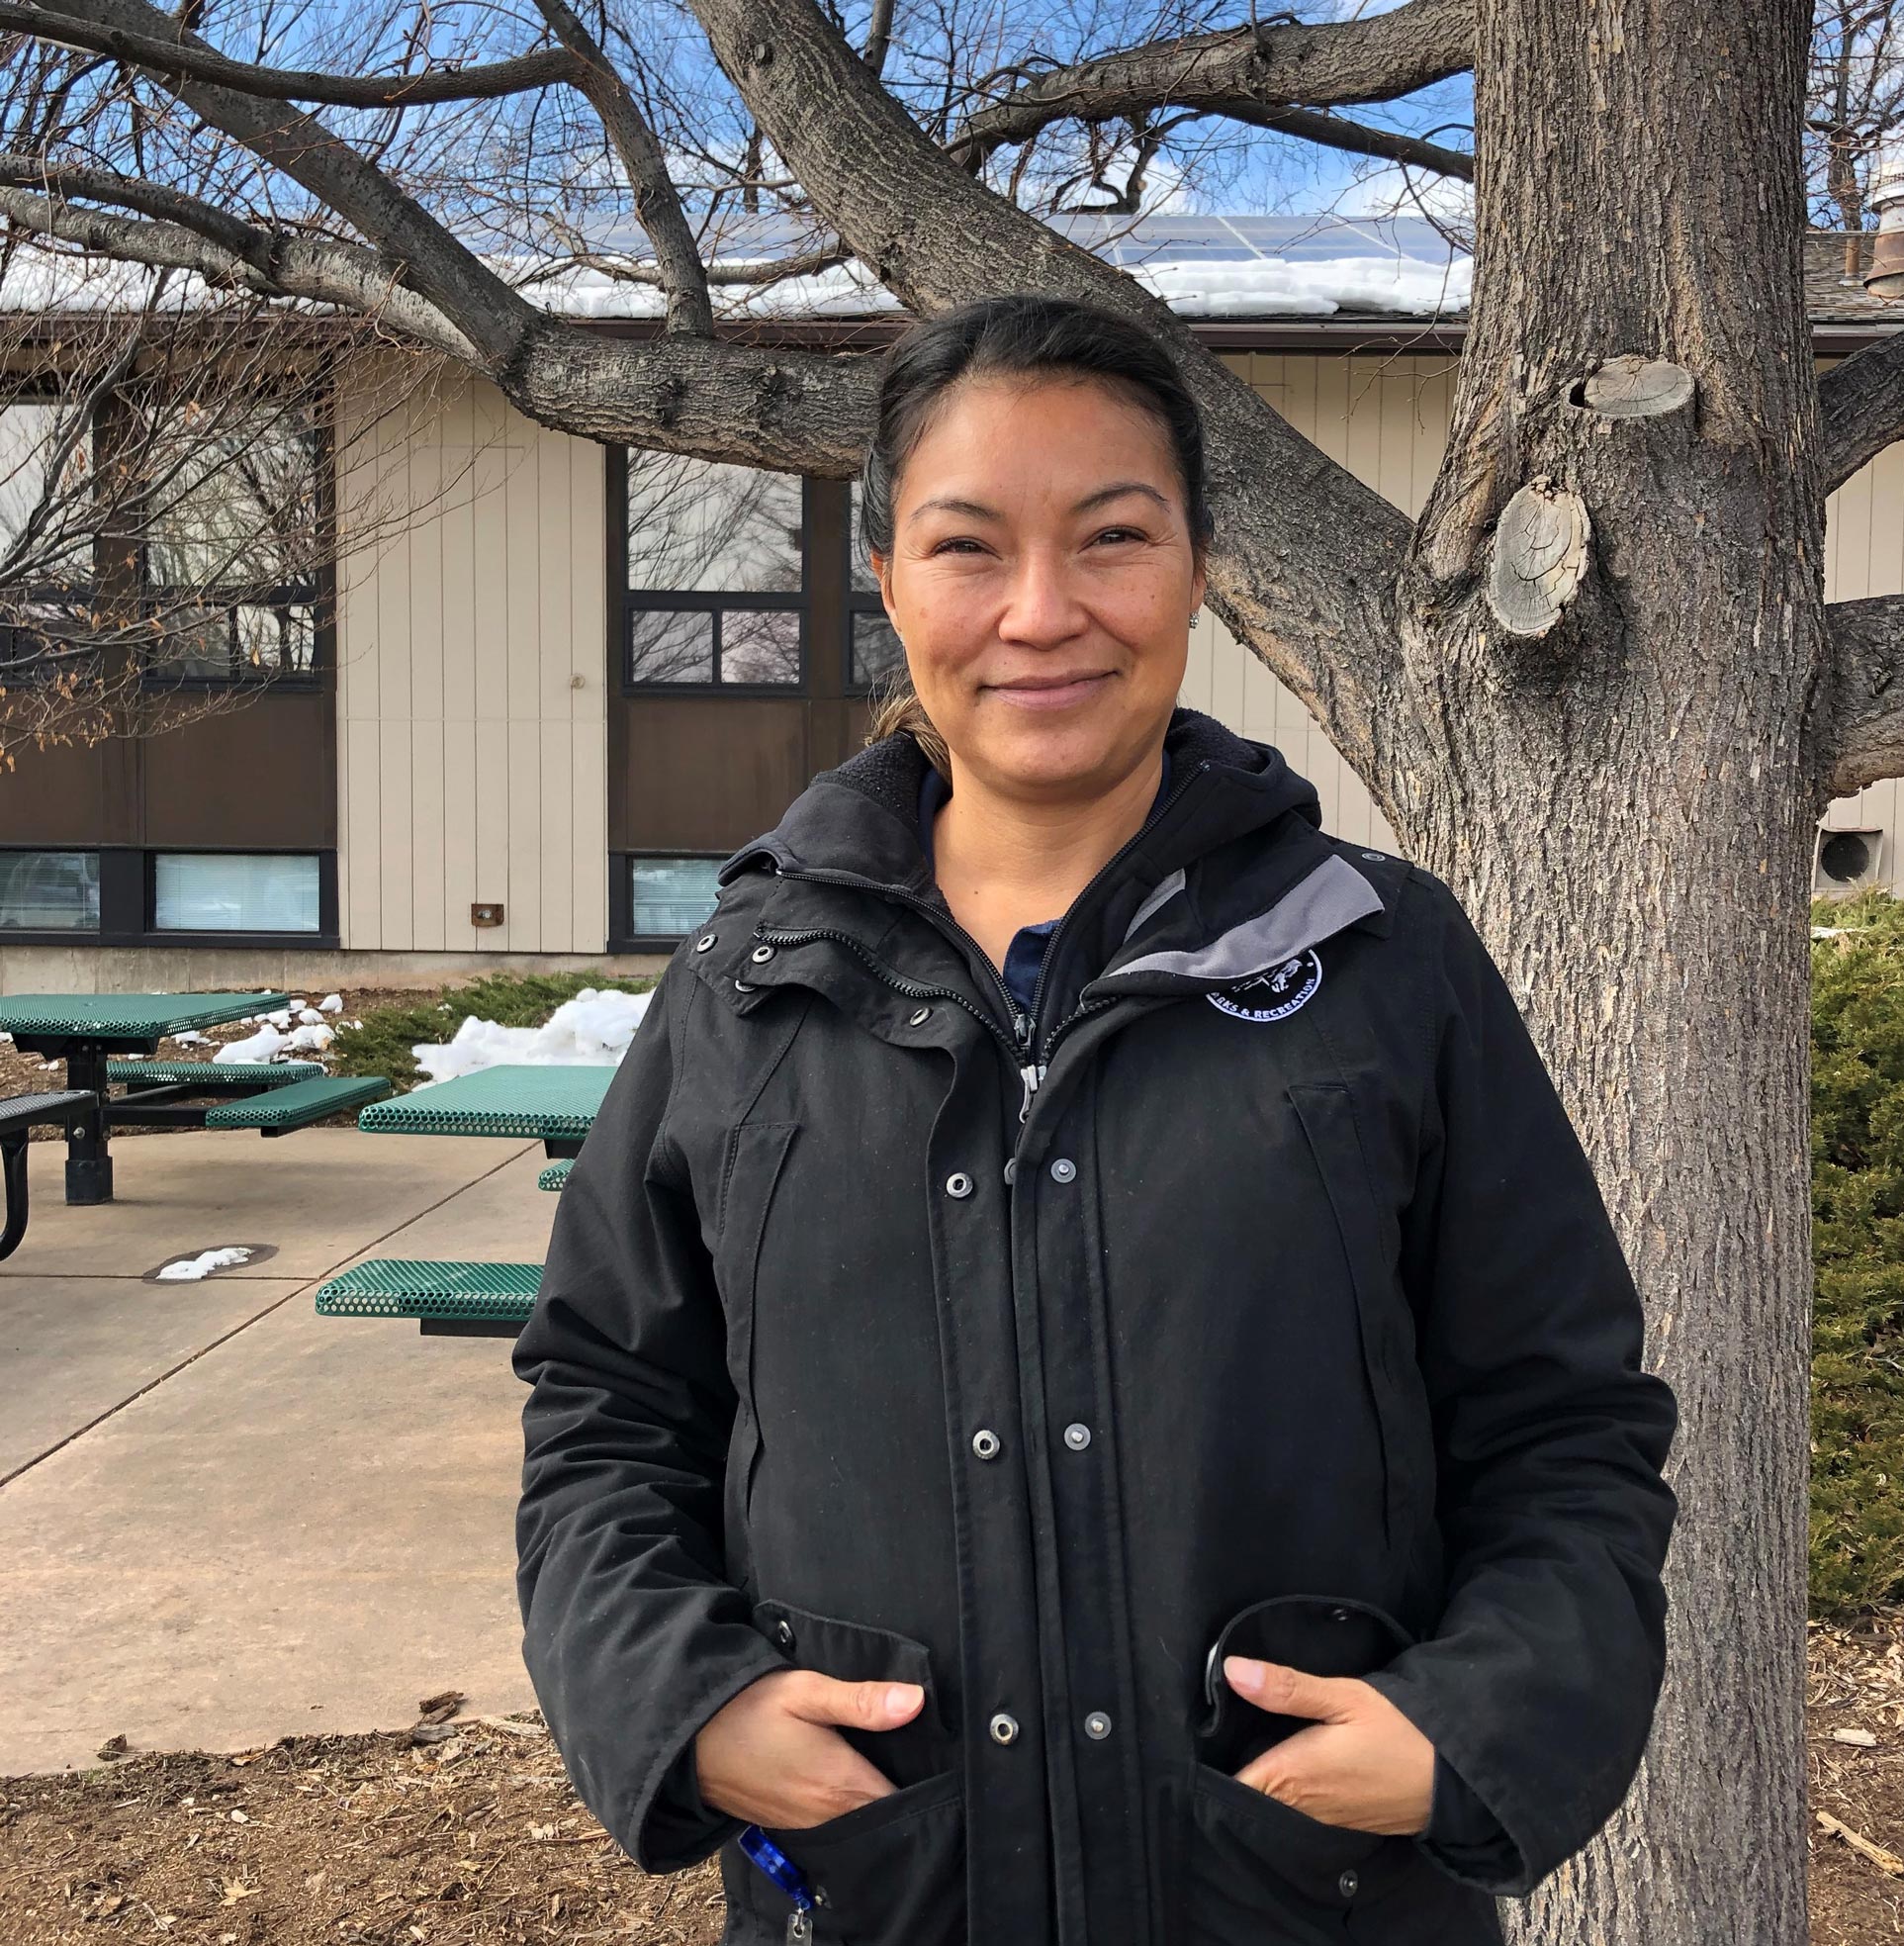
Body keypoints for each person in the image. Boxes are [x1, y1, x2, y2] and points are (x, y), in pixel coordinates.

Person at [512, 294, 1681, 1946]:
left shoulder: (1378, 961)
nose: (1042, 613)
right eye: (969, 546)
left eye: (1112, 538)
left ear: (1198, 567)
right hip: (881, 1896)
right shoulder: (743, 992)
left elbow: (1564, 1428)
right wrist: (681, 1699)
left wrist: (1471, 1721)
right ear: (892, 578)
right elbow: (606, 1410)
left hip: (1304, 1901)